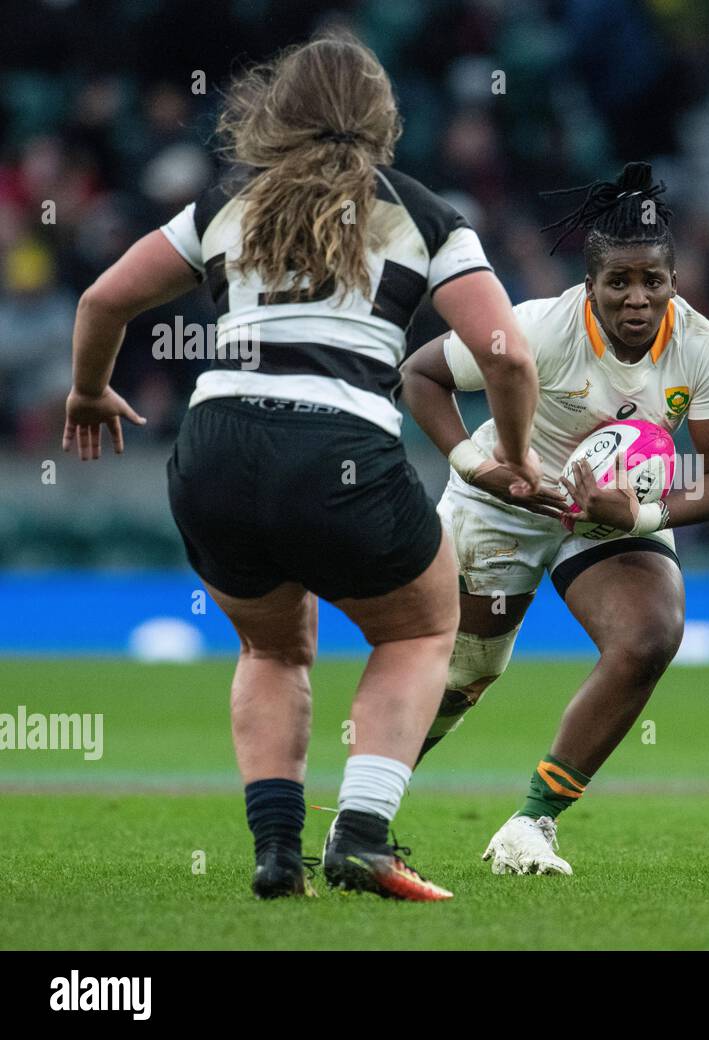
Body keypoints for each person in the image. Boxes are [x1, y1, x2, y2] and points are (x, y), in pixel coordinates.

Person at [63, 32, 541, 900]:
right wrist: (512, 454)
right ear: (382, 118)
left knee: (274, 649)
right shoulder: (425, 214)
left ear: (276, 110)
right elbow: (507, 356)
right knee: (421, 628)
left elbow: (104, 298)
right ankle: (359, 834)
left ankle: (277, 855)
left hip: (214, 449)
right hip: (337, 448)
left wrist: (90, 392)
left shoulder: (224, 204)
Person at [402, 162, 709, 874]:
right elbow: (420, 374)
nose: (635, 298)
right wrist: (479, 467)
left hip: (615, 513)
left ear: (674, 283)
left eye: (651, 281)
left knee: (650, 635)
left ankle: (531, 824)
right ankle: (364, 810)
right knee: (465, 675)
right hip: (503, 499)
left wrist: (643, 511)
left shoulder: (706, 351)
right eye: (617, 282)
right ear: (588, 284)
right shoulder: (535, 330)